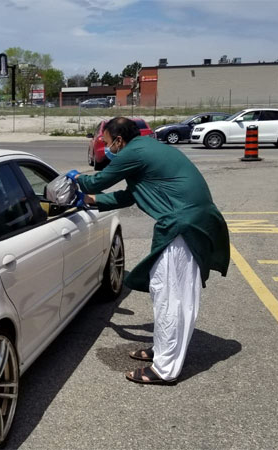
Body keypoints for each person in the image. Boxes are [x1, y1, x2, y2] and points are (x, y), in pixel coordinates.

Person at [65, 117, 229, 384]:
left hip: (182, 224)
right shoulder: (145, 150)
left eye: (106, 142)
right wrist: (90, 201)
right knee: (166, 291)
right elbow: (130, 195)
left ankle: (164, 369)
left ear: (119, 140)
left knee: (171, 295)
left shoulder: (133, 153)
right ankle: (163, 350)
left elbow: (98, 181)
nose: (105, 148)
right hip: (189, 220)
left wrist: (76, 180)